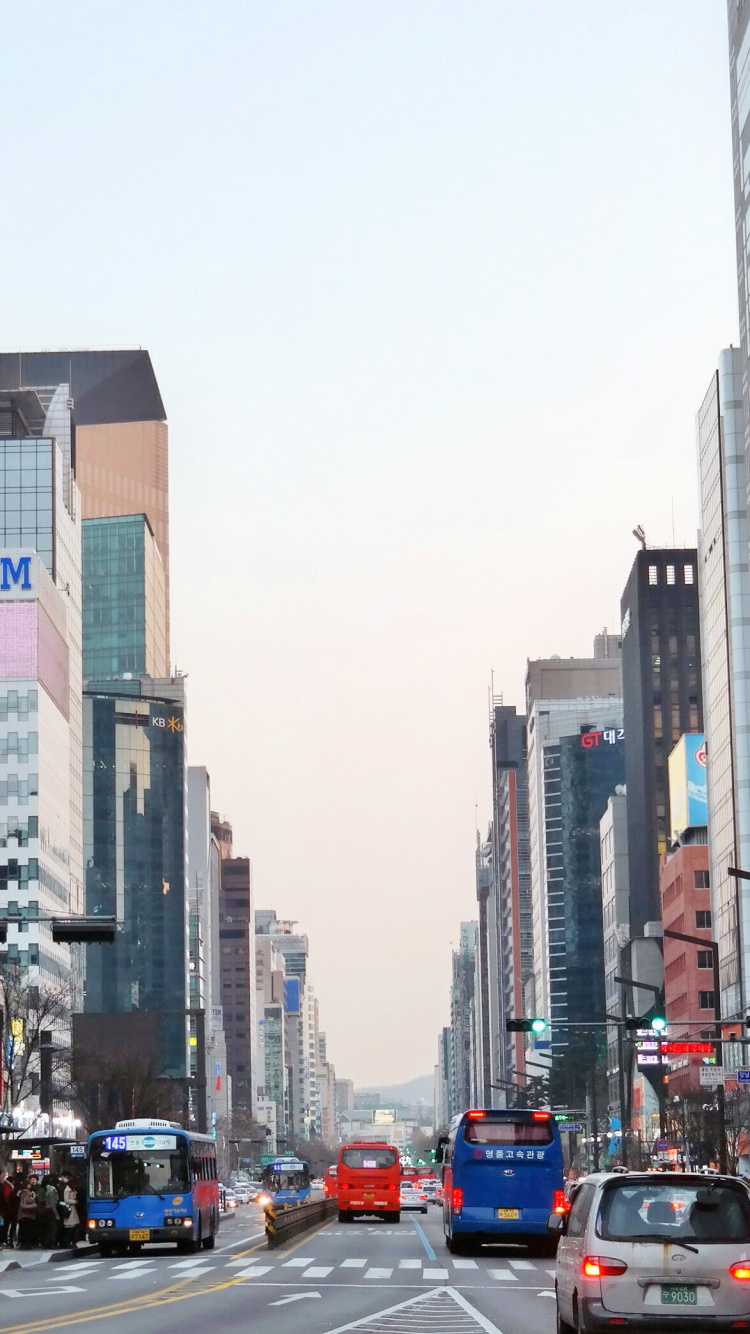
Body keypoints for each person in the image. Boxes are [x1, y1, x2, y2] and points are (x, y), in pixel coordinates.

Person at [17, 1175, 38, 1249]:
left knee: (26, 1230)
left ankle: (25, 1244)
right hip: (26, 1215)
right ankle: (25, 1244)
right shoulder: (25, 1192)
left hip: (26, 1215)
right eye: (29, 1184)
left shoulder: (27, 1192)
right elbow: (23, 1205)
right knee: (26, 1230)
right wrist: (34, 1205)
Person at [39, 1176, 58, 1249]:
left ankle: (46, 1242)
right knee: (52, 1227)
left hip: (45, 1210)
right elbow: (52, 1202)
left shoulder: (44, 1189)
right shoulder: (51, 1190)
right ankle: (50, 1242)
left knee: (48, 1228)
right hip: (49, 1210)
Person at [62, 1177, 80, 1248]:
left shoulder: (72, 1190)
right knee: (70, 1228)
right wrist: (74, 1202)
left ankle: (73, 1242)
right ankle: (69, 1243)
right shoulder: (67, 1190)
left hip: (73, 1210)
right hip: (69, 1210)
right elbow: (66, 1200)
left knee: (74, 1227)